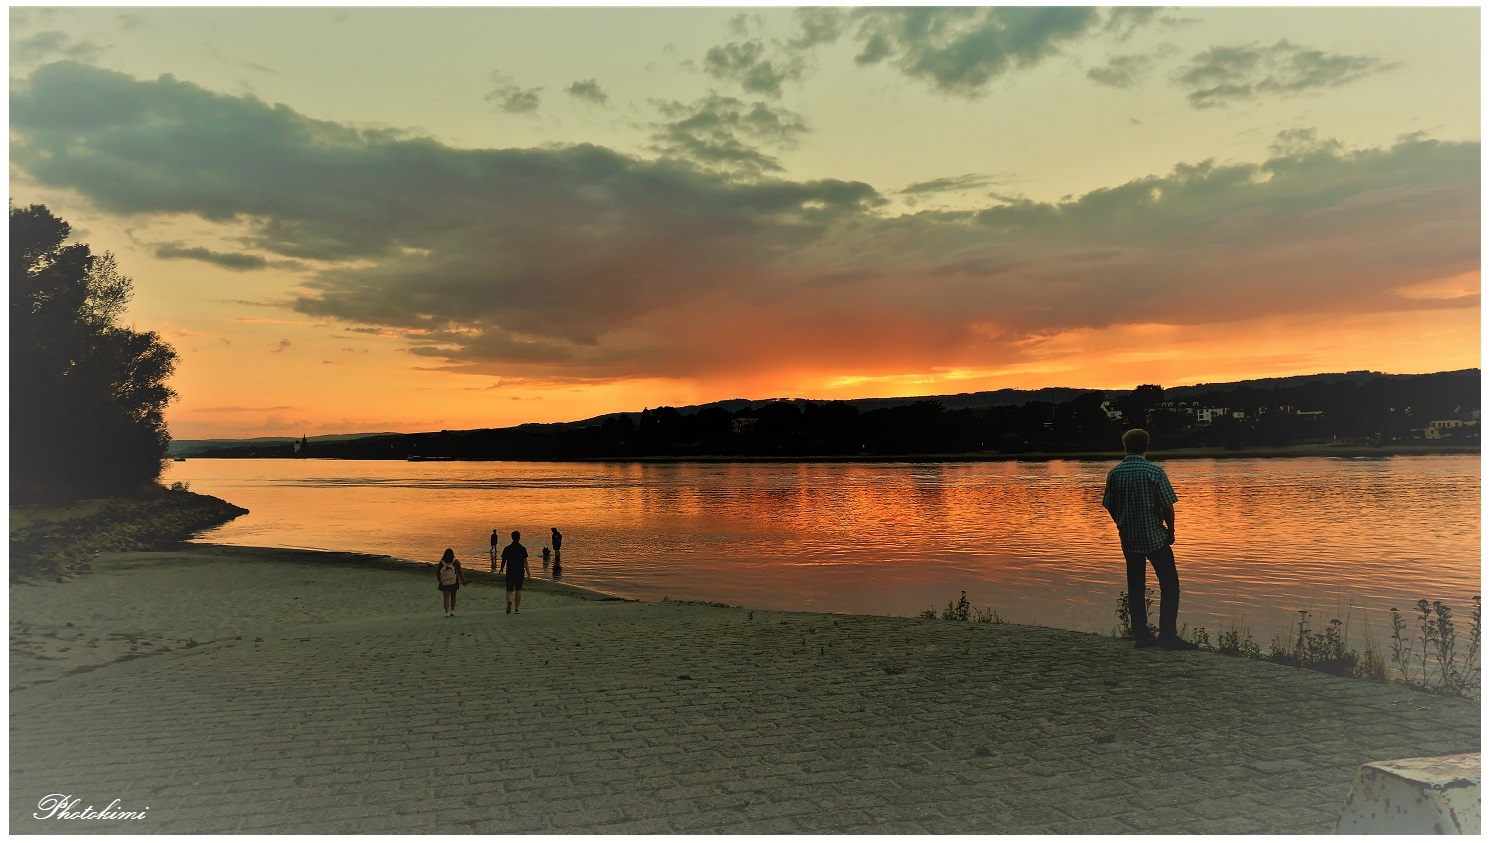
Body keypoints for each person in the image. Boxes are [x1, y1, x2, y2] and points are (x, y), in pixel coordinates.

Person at [1102, 429, 1198, 651]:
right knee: (1170, 585)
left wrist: (1121, 523)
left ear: (1125, 446)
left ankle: (1142, 636)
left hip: (1129, 539)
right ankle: (1167, 635)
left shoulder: (1115, 473)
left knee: (1136, 587)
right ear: (1146, 446)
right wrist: (1171, 530)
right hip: (1155, 537)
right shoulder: (1154, 471)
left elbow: (1110, 506)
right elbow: (1167, 505)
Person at [499, 530, 528, 614]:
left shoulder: (507, 548)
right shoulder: (522, 548)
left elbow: (503, 560)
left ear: (512, 537)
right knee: (518, 590)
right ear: (519, 538)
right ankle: (517, 609)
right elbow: (525, 562)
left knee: (509, 590)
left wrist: (501, 569)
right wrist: (528, 573)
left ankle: (509, 602)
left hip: (510, 571)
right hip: (519, 571)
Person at [436, 548, 469, 617]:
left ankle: (446, 612)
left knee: (446, 597)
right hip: (454, 581)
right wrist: (464, 580)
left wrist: (439, 579)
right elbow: (460, 572)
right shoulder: (455, 562)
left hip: (444, 581)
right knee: (453, 596)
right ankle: (452, 611)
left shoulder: (441, 562)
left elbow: (438, 572)